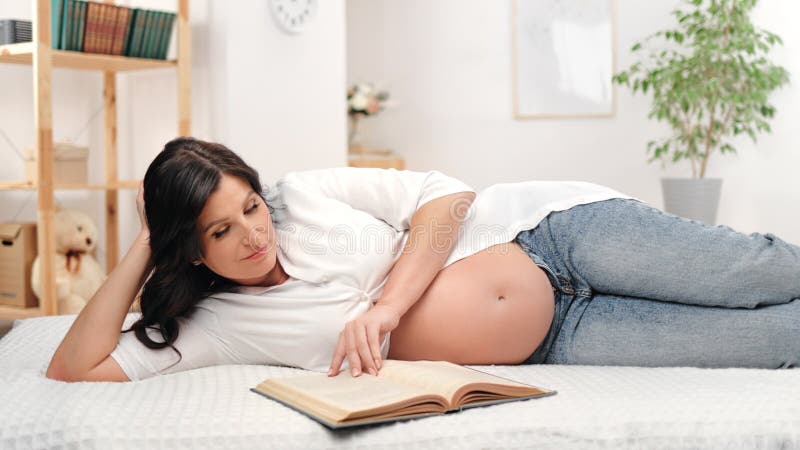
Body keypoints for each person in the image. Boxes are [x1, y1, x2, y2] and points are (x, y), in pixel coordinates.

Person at [45, 137, 800, 382]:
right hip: (555, 342)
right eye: (218, 232)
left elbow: (448, 197)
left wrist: (385, 308)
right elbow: (74, 368)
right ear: (190, 249)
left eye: (248, 206)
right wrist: (146, 240)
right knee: (771, 343)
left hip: (555, 235)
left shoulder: (302, 197)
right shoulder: (220, 326)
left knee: (757, 273)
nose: (252, 233)